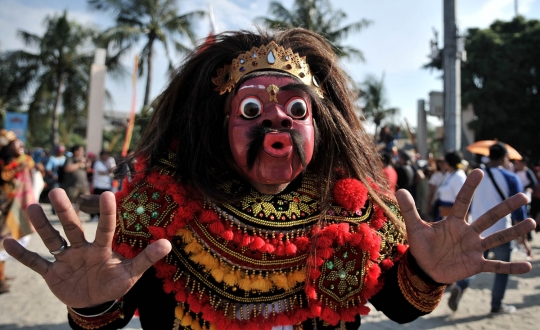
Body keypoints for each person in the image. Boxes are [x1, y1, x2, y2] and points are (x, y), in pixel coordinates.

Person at [3, 29, 536, 329]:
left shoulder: (357, 209)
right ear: (220, 124)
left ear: (319, 127)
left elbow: (397, 305)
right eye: (252, 108)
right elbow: (106, 316)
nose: (276, 122)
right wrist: (90, 304)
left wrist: (427, 272)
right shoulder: (162, 208)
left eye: (295, 109)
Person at [447, 142, 530, 314]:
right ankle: (496, 304)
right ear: (505, 157)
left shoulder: (477, 176)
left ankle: (461, 285)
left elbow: (466, 204)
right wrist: (523, 237)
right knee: (502, 269)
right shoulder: (511, 178)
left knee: (474, 264)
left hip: (477, 231)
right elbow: (518, 211)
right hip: (502, 233)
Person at [0, 130, 36, 294]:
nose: (21, 145)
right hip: (4, 207)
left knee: (12, 238)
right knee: (3, 241)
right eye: (16, 143)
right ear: (7, 147)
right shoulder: (3, 163)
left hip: (13, 207)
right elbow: (5, 177)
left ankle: (1, 274)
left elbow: (30, 163)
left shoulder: (22, 160)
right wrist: (17, 169)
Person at [434, 151, 467, 221]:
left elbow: (461, 200)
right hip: (443, 214)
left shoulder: (459, 176)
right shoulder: (450, 174)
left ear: (449, 162)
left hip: (451, 216)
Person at [62, 145, 90, 215]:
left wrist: (87, 165)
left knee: (84, 202)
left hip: (83, 185)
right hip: (73, 185)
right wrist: (79, 163)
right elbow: (68, 169)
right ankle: (69, 217)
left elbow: (88, 171)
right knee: (70, 202)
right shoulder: (70, 159)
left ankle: (76, 216)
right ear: (75, 151)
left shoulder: (83, 159)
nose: (82, 152)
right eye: (81, 151)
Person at [89, 150, 116, 222]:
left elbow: (113, 170)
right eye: (104, 155)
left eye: (107, 155)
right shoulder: (98, 163)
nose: (106, 156)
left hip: (107, 186)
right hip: (98, 186)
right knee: (97, 202)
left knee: (105, 203)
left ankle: (101, 216)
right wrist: (110, 170)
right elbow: (102, 172)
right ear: (101, 156)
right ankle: (94, 216)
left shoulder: (108, 162)